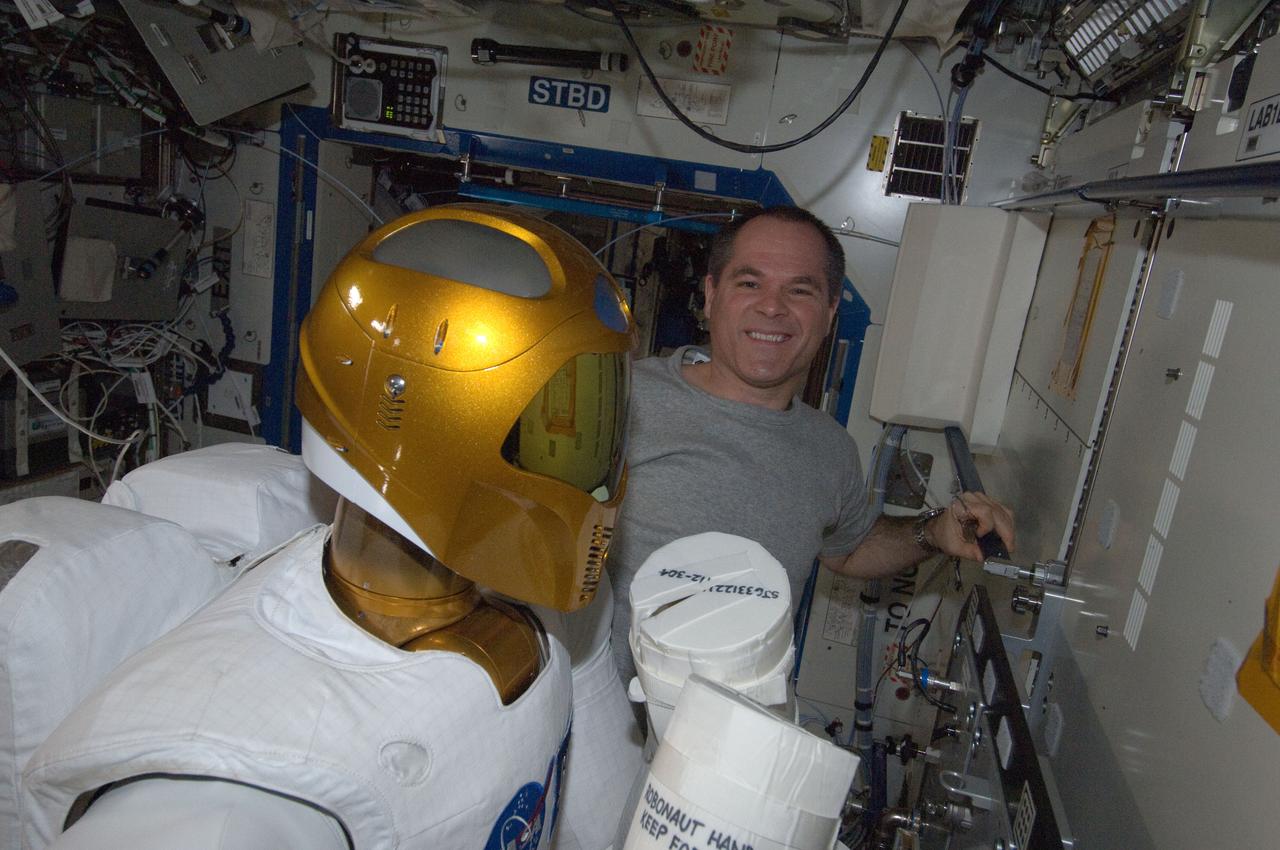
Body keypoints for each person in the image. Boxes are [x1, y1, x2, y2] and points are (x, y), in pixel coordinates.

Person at [609, 205, 1015, 686]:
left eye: (799, 290)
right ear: (712, 295)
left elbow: (849, 548)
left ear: (828, 313)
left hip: (730, 718)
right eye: (749, 282)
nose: (772, 307)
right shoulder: (623, 397)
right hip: (595, 711)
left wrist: (936, 532)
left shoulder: (830, 448)